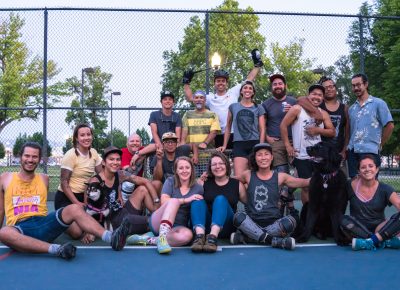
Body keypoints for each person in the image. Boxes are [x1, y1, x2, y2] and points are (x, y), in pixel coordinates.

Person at [0, 142, 130, 260]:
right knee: (3, 233)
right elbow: (1, 209)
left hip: (44, 224)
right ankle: (58, 250)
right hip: (20, 227)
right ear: (20, 156)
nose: (30, 160)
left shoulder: (44, 178)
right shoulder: (5, 178)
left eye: (34, 157)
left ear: (39, 159)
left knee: (74, 208)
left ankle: (112, 238)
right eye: (27, 156)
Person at [230, 143, 310, 250]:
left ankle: (250, 238)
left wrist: (326, 176)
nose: (263, 157)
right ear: (255, 158)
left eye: (266, 154)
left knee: (291, 221)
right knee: (237, 217)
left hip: (274, 225)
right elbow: (229, 181)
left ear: (272, 157)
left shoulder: (281, 177)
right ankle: (275, 241)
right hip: (252, 222)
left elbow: (303, 182)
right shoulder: (248, 174)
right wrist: (209, 177)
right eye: (259, 155)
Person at [183, 49, 263, 149]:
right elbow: (190, 98)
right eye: (218, 81)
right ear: (214, 83)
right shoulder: (209, 97)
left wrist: (257, 65)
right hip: (217, 134)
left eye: (223, 81)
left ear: (227, 83)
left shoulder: (233, 92)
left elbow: (249, 79)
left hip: (234, 133)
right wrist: (186, 82)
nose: (220, 83)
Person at [127, 156, 204, 254]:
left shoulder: (198, 188)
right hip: (159, 221)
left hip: (178, 226)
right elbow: (164, 201)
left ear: (192, 170)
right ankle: (162, 238)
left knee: (187, 236)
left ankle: (149, 239)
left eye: (187, 167)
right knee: (174, 201)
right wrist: (186, 200)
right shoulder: (170, 181)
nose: (184, 170)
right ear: (176, 171)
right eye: (181, 168)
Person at [280, 84, 335, 206]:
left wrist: (318, 130)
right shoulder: (297, 109)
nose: (316, 97)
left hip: (318, 156)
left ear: (323, 98)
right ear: (308, 95)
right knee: (306, 187)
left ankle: (318, 212)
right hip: (302, 155)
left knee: (320, 185)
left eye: (320, 95)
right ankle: (307, 213)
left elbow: (332, 132)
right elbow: (283, 125)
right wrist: (288, 146)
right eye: (314, 94)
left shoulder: (323, 113)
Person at [87, 146, 161, 235]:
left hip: (122, 211)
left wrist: (156, 201)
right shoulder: (95, 182)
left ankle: (157, 214)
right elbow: (90, 210)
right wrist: (89, 232)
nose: (115, 162)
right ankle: (155, 222)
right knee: (154, 223)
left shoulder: (120, 174)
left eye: (118, 159)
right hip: (113, 222)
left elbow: (145, 181)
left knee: (142, 189)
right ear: (103, 162)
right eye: (111, 159)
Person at [54, 123, 102, 243]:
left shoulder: (94, 153)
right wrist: (77, 203)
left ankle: (89, 226)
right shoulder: (70, 155)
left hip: (86, 196)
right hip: (66, 198)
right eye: (82, 135)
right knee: (76, 233)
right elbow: (64, 183)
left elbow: (102, 175)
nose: (86, 137)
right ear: (76, 138)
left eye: (88, 134)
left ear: (92, 136)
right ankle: (59, 218)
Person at [340, 155, 400, 250]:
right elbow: (338, 205)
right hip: (357, 229)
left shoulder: (385, 189)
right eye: (363, 167)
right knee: (342, 219)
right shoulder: (349, 185)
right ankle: (382, 241)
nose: (367, 169)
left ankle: (369, 242)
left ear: (377, 169)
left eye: (371, 166)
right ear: (359, 171)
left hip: (380, 229)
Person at [190, 151, 245, 253]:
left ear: (227, 165)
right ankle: (199, 237)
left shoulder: (237, 184)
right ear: (210, 168)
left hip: (226, 227)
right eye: (214, 164)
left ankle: (213, 238)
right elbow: (193, 202)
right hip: (206, 227)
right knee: (197, 199)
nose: (217, 166)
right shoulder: (204, 182)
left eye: (221, 163)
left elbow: (249, 204)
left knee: (220, 199)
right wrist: (198, 183)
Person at [262, 73, 297, 215]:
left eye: (280, 83)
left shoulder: (294, 102)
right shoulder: (266, 104)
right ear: (272, 87)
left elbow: (301, 121)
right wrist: (267, 138)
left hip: (293, 141)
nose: (277, 86)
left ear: (285, 86)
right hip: (275, 142)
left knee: (301, 169)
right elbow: (261, 125)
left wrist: (294, 113)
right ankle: (288, 208)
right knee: (281, 174)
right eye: (274, 84)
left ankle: (285, 196)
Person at [347, 73, 394, 179]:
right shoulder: (352, 108)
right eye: (353, 86)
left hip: (370, 151)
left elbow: (390, 125)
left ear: (366, 84)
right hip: (352, 152)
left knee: (370, 185)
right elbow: (349, 130)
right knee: (355, 184)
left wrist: (380, 143)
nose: (356, 88)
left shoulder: (378, 103)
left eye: (358, 85)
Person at [217, 80, 265, 176]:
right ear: (241, 91)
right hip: (239, 144)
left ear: (253, 92)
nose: (247, 90)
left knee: (256, 176)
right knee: (239, 177)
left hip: (254, 143)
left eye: (250, 88)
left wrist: (261, 145)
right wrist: (224, 145)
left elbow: (262, 128)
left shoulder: (258, 107)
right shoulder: (233, 107)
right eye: (245, 88)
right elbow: (228, 127)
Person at [130, 91, 183, 167]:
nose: (167, 101)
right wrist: (160, 145)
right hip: (157, 143)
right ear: (161, 102)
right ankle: (136, 161)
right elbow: (154, 132)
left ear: (173, 102)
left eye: (170, 99)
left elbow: (178, 134)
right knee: (148, 151)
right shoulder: (154, 114)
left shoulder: (177, 116)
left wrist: (176, 144)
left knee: (182, 148)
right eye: (165, 99)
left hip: (171, 143)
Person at [181, 90, 221, 164]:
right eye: (196, 98)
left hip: (208, 154)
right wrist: (183, 146)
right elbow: (184, 131)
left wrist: (205, 143)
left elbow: (214, 132)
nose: (199, 99)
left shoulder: (212, 115)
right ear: (193, 100)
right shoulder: (187, 114)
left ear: (205, 100)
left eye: (201, 98)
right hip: (191, 156)